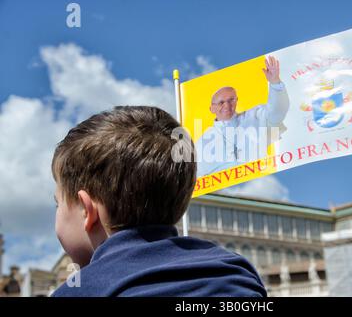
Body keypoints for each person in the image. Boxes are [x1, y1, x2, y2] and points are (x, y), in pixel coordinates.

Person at [51, 106, 266, 297]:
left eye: (58, 204)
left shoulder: (79, 291)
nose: (57, 212)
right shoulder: (238, 272)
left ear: (86, 210)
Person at [196, 56, 290, 178]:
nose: (227, 105)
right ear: (212, 109)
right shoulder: (203, 141)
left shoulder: (255, 116)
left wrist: (275, 83)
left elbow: (277, 111)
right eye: (221, 102)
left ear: (237, 101)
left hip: (259, 181)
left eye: (231, 100)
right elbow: (197, 177)